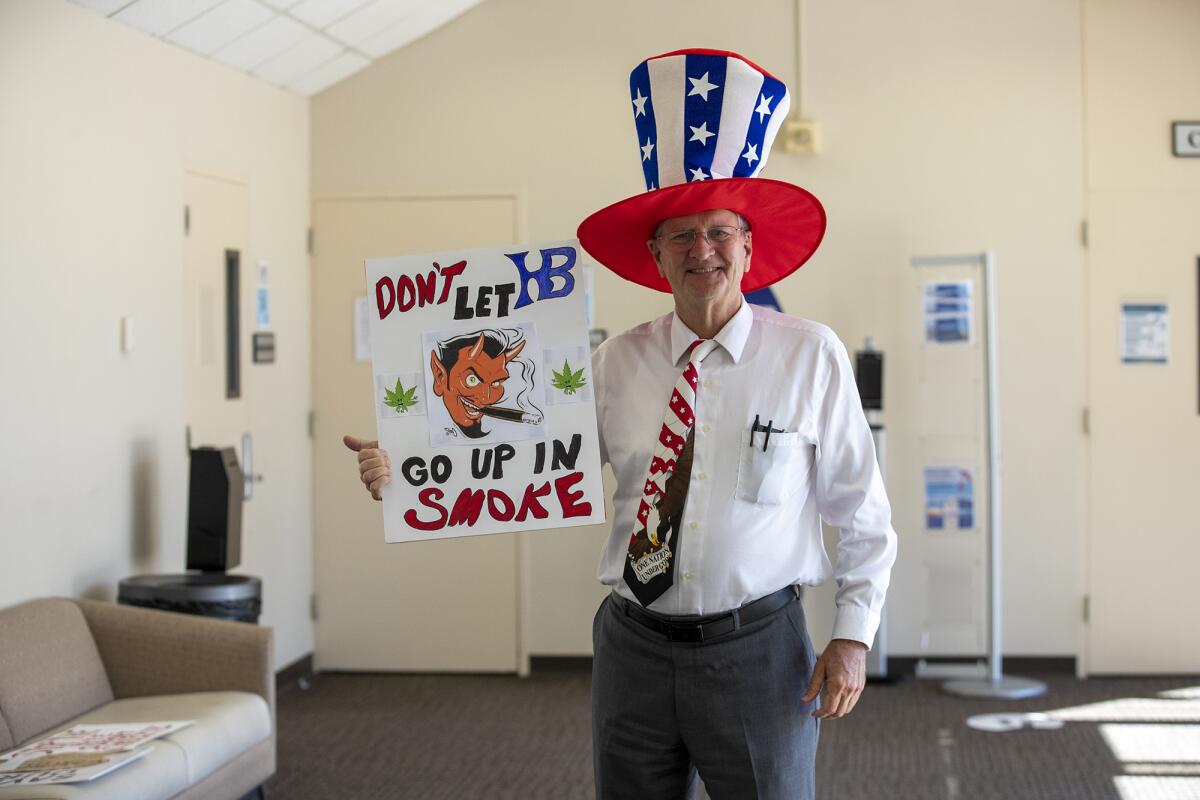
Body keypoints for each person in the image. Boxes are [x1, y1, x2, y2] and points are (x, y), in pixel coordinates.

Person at [345, 49, 896, 800]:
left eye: (719, 232)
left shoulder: (809, 355)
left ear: (749, 247)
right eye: (681, 236)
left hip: (759, 649)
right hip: (633, 648)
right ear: (656, 256)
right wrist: (405, 465)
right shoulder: (614, 364)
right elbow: (518, 460)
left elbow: (862, 513)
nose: (702, 250)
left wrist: (854, 635)